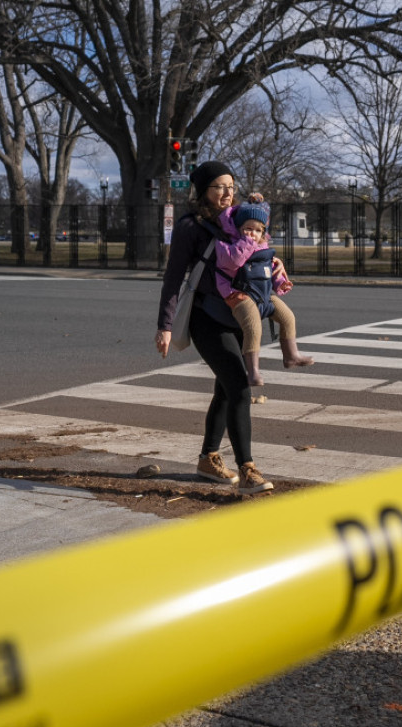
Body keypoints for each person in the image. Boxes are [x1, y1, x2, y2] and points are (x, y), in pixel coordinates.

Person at [154, 161, 276, 493]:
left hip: (236, 316)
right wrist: (165, 325)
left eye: (230, 186)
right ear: (203, 191)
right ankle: (247, 468)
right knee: (239, 387)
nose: (226, 192)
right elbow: (173, 277)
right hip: (206, 319)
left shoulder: (237, 220)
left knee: (225, 390)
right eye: (219, 186)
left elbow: (256, 245)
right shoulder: (190, 226)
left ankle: (208, 458)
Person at [213, 192, 314, 386]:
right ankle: (253, 372)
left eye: (257, 231)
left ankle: (291, 355)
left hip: (262, 294)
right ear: (238, 228)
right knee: (253, 327)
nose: (252, 233)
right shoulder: (227, 245)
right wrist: (246, 243)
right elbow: (233, 261)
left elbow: (268, 272)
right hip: (238, 294)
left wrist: (280, 282)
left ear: (263, 233)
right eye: (247, 229)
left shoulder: (263, 249)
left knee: (288, 317)